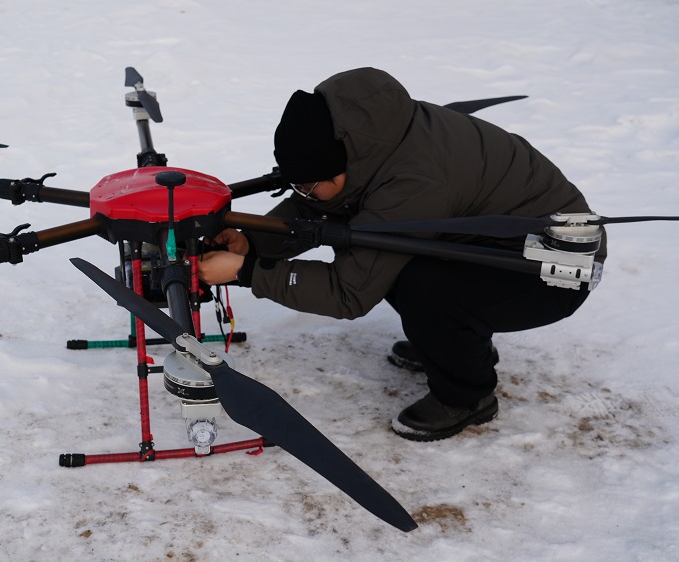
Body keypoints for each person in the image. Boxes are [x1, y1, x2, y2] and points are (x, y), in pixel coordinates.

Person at [198, 67, 605, 442]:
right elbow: (324, 204)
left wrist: (248, 271)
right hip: (488, 245)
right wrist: (255, 243)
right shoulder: (365, 136)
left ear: (338, 164)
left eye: (308, 185)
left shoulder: (412, 182)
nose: (303, 194)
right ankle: (455, 345)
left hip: (547, 272)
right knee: (384, 254)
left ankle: (466, 396)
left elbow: (348, 293)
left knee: (415, 282)